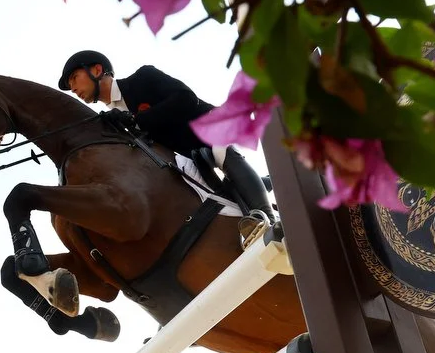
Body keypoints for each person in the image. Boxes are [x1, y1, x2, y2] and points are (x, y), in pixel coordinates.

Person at [56, 51, 273, 236]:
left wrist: (136, 120)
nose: (73, 88)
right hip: (182, 159)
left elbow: (185, 99)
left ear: (96, 70)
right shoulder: (111, 122)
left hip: (205, 126)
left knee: (221, 151)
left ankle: (268, 219)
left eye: (74, 78)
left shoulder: (143, 77)